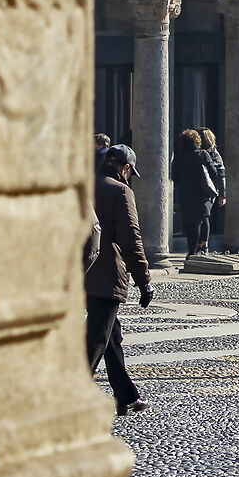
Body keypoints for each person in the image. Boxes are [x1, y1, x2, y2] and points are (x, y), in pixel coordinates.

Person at [87, 144, 151, 416]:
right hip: (106, 276)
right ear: (125, 168)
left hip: (82, 271)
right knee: (96, 340)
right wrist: (143, 279)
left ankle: (126, 396)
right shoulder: (120, 191)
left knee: (111, 337)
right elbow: (131, 239)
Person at [170, 127, 223, 258]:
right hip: (202, 193)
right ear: (197, 141)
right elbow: (214, 172)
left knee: (190, 223)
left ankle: (192, 250)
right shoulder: (202, 154)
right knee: (202, 219)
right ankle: (202, 247)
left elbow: (174, 176)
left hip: (185, 193)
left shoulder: (179, 157)